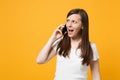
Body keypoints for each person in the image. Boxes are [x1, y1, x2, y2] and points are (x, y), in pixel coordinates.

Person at [36, 8, 101, 80]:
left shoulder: (91, 47)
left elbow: (95, 75)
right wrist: (52, 38)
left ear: (82, 26)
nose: (69, 25)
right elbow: (40, 60)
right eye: (68, 21)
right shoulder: (60, 43)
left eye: (74, 22)